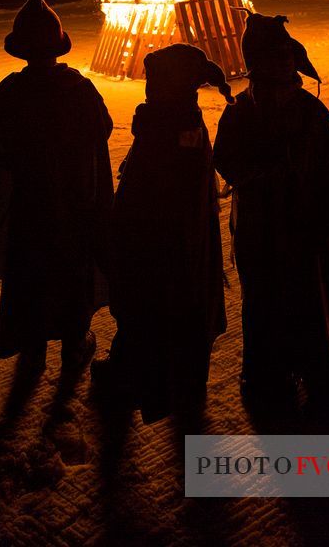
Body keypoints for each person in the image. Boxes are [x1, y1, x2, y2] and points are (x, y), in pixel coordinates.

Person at [213, 11, 329, 432]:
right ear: (257, 65)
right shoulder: (241, 112)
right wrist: (261, 175)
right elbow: (225, 159)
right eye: (275, 58)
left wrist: (323, 227)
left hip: (308, 237)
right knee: (263, 309)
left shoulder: (311, 113)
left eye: (288, 57)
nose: (284, 65)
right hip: (260, 235)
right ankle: (268, 382)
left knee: (321, 315)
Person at [0, 0, 113, 378]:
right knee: (70, 270)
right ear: (57, 47)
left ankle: (32, 348)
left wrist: (18, 161)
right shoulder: (78, 87)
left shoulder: (10, 91)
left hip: (27, 204)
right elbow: (104, 128)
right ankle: (73, 344)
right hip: (74, 203)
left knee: (30, 272)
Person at [92, 43, 229, 423]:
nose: (148, 87)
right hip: (168, 239)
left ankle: (135, 377)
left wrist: (123, 226)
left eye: (155, 81)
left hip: (160, 243)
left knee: (150, 306)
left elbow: (159, 192)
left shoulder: (172, 125)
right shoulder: (172, 117)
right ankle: (161, 372)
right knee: (158, 307)